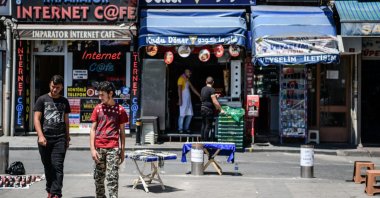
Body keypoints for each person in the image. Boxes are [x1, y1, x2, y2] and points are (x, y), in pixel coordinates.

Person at [33, 75, 71, 198]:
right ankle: (50, 190)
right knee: (48, 166)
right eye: (53, 87)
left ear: (61, 88)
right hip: (45, 139)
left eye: (58, 88)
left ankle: (56, 193)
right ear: (50, 84)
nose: (55, 90)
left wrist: (67, 136)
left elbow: (66, 120)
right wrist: (40, 136)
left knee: (57, 166)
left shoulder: (64, 101)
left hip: (60, 138)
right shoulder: (42, 99)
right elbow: (36, 119)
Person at [90, 81, 128, 198]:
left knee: (112, 178)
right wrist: (92, 149)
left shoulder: (120, 110)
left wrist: (122, 151)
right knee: (98, 178)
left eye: (102, 95)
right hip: (99, 148)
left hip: (113, 148)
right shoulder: (97, 108)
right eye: (99, 94)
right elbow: (93, 129)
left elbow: (122, 132)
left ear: (110, 93)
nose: (100, 97)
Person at [200, 76, 224, 141]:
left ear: (206, 82)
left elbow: (203, 97)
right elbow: (214, 101)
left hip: (202, 108)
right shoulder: (212, 89)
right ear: (213, 82)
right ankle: (205, 142)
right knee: (208, 126)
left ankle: (202, 140)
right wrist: (221, 109)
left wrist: (214, 95)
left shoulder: (203, 89)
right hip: (208, 110)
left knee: (203, 124)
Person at [177, 69, 200, 133]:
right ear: (186, 72)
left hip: (188, 101)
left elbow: (193, 88)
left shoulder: (187, 79)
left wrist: (199, 96)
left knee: (190, 114)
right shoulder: (181, 79)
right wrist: (180, 99)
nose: (190, 73)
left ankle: (186, 128)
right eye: (189, 72)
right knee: (182, 114)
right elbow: (179, 89)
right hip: (183, 100)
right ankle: (180, 128)